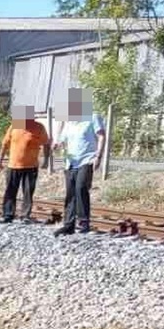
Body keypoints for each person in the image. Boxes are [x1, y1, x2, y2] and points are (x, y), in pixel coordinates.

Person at [53, 88, 106, 236]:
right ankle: (68, 224)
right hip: (71, 162)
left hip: (87, 159)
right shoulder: (69, 122)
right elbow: (62, 141)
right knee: (70, 193)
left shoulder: (93, 117)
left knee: (81, 188)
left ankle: (83, 223)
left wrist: (98, 156)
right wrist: (57, 144)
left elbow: (101, 136)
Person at [0, 104, 50, 224]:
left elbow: (46, 144)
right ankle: (8, 215)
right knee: (10, 191)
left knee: (28, 192)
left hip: (31, 166)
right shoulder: (15, 126)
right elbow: (5, 145)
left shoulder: (38, 127)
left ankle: (25, 215)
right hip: (13, 165)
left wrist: (46, 160)